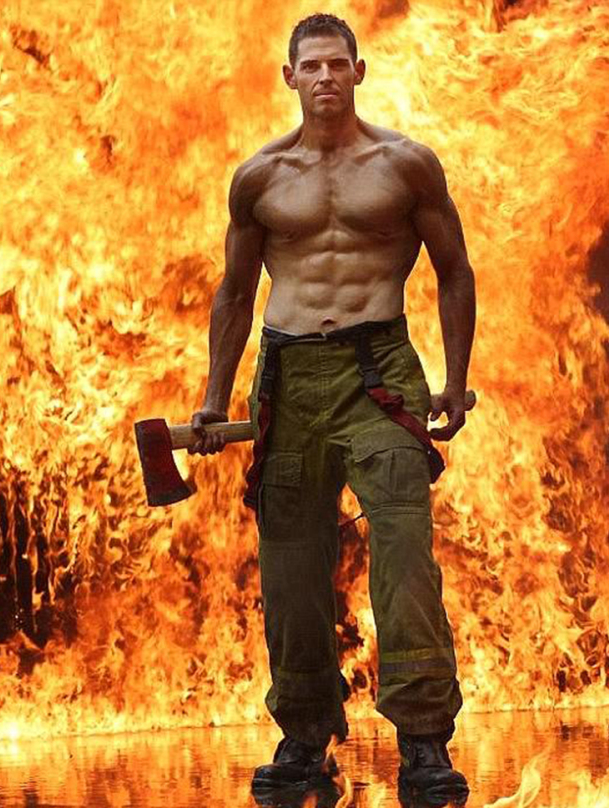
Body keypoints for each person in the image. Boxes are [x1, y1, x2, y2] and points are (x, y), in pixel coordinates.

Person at [190, 12, 476, 802]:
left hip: (378, 370)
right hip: (289, 379)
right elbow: (235, 293)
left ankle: (423, 740)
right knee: (291, 566)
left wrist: (454, 381)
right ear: (290, 78)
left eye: (335, 64)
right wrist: (214, 399)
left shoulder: (405, 165)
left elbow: (454, 271)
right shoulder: (259, 178)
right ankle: (304, 735)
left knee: (405, 555)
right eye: (309, 65)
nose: (323, 76)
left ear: (358, 71)